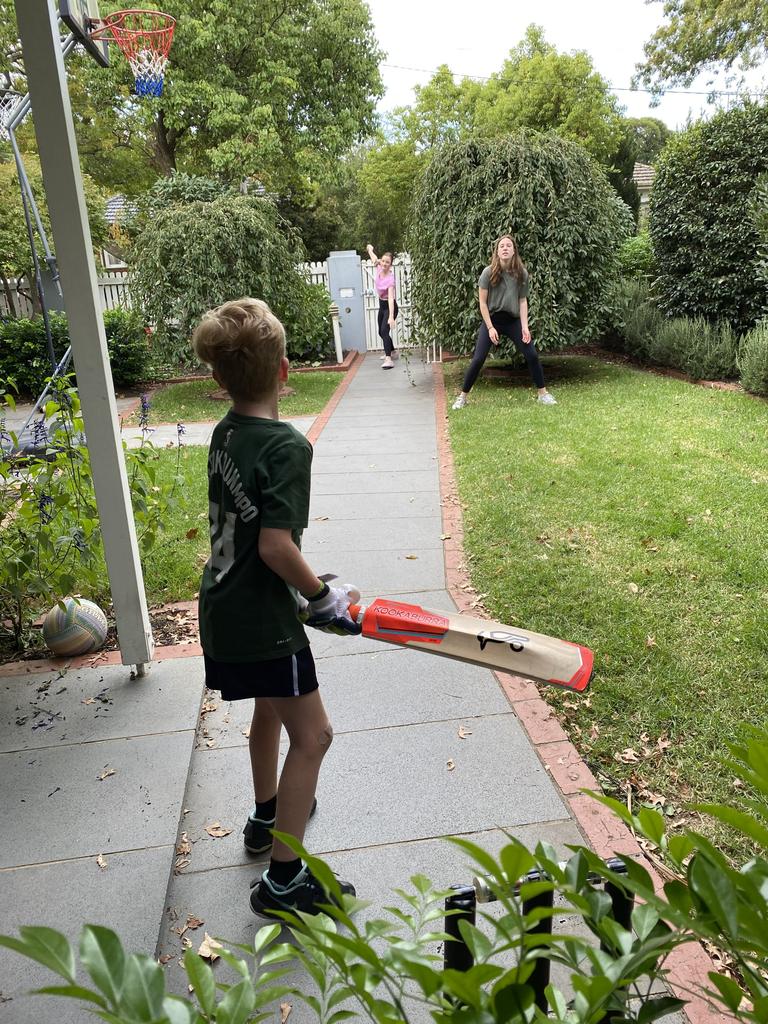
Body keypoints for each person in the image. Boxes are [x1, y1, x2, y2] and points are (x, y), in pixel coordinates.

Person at [191, 297, 361, 919]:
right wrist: (321, 597)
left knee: (270, 706)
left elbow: (253, 534)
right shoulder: (286, 446)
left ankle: (267, 817)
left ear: (219, 378)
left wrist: (302, 584)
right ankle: (285, 881)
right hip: (263, 620)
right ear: (285, 371)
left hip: (224, 605)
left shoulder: (225, 432)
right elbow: (275, 545)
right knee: (314, 735)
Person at [452, 234, 556, 409]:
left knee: (531, 354)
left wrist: (525, 327)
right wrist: (490, 327)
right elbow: (482, 304)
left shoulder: (521, 273)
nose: (505, 248)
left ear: (514, 250)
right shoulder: (488, 272)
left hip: (513, 320)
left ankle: (543, 394)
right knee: (478, 359)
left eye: (509, 245)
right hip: (492, 319)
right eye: (502, 246)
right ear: (497, 251)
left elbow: (523, 301)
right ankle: (462, 397)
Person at [367, 243, 398, 369]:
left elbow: (391, 298)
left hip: (390, 306)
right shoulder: (379, 267)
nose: (384, 264)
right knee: (380, 332)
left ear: (391, 264)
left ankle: (388, 359)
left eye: (387, 262)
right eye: (383, 261)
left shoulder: (390, 279)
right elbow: (373, 257)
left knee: (385, 331)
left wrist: (391, 317)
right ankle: (393, 351)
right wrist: (370, 248)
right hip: (381, 305)